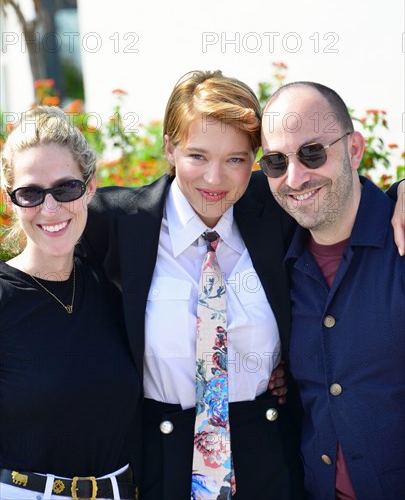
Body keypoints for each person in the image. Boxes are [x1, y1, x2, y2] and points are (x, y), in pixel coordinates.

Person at [82, 70, 304, 500]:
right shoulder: (118, 223)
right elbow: (48, 216)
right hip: (161, 459)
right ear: (169, 147)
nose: (215, 179)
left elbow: (342, 195)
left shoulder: (275, 211)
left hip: (268, 454)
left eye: (236, 159)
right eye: (197, 156)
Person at [259, 81, 405, 500]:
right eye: (274, 161)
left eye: (312, 152)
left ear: (355, 149)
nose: (295, 177)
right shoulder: (276, 268)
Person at [0, 107, 141, 500]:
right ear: (10, 200)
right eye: (30, 193)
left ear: (90, 188)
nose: (50, 208)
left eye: (66, 188)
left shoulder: (112, 284)